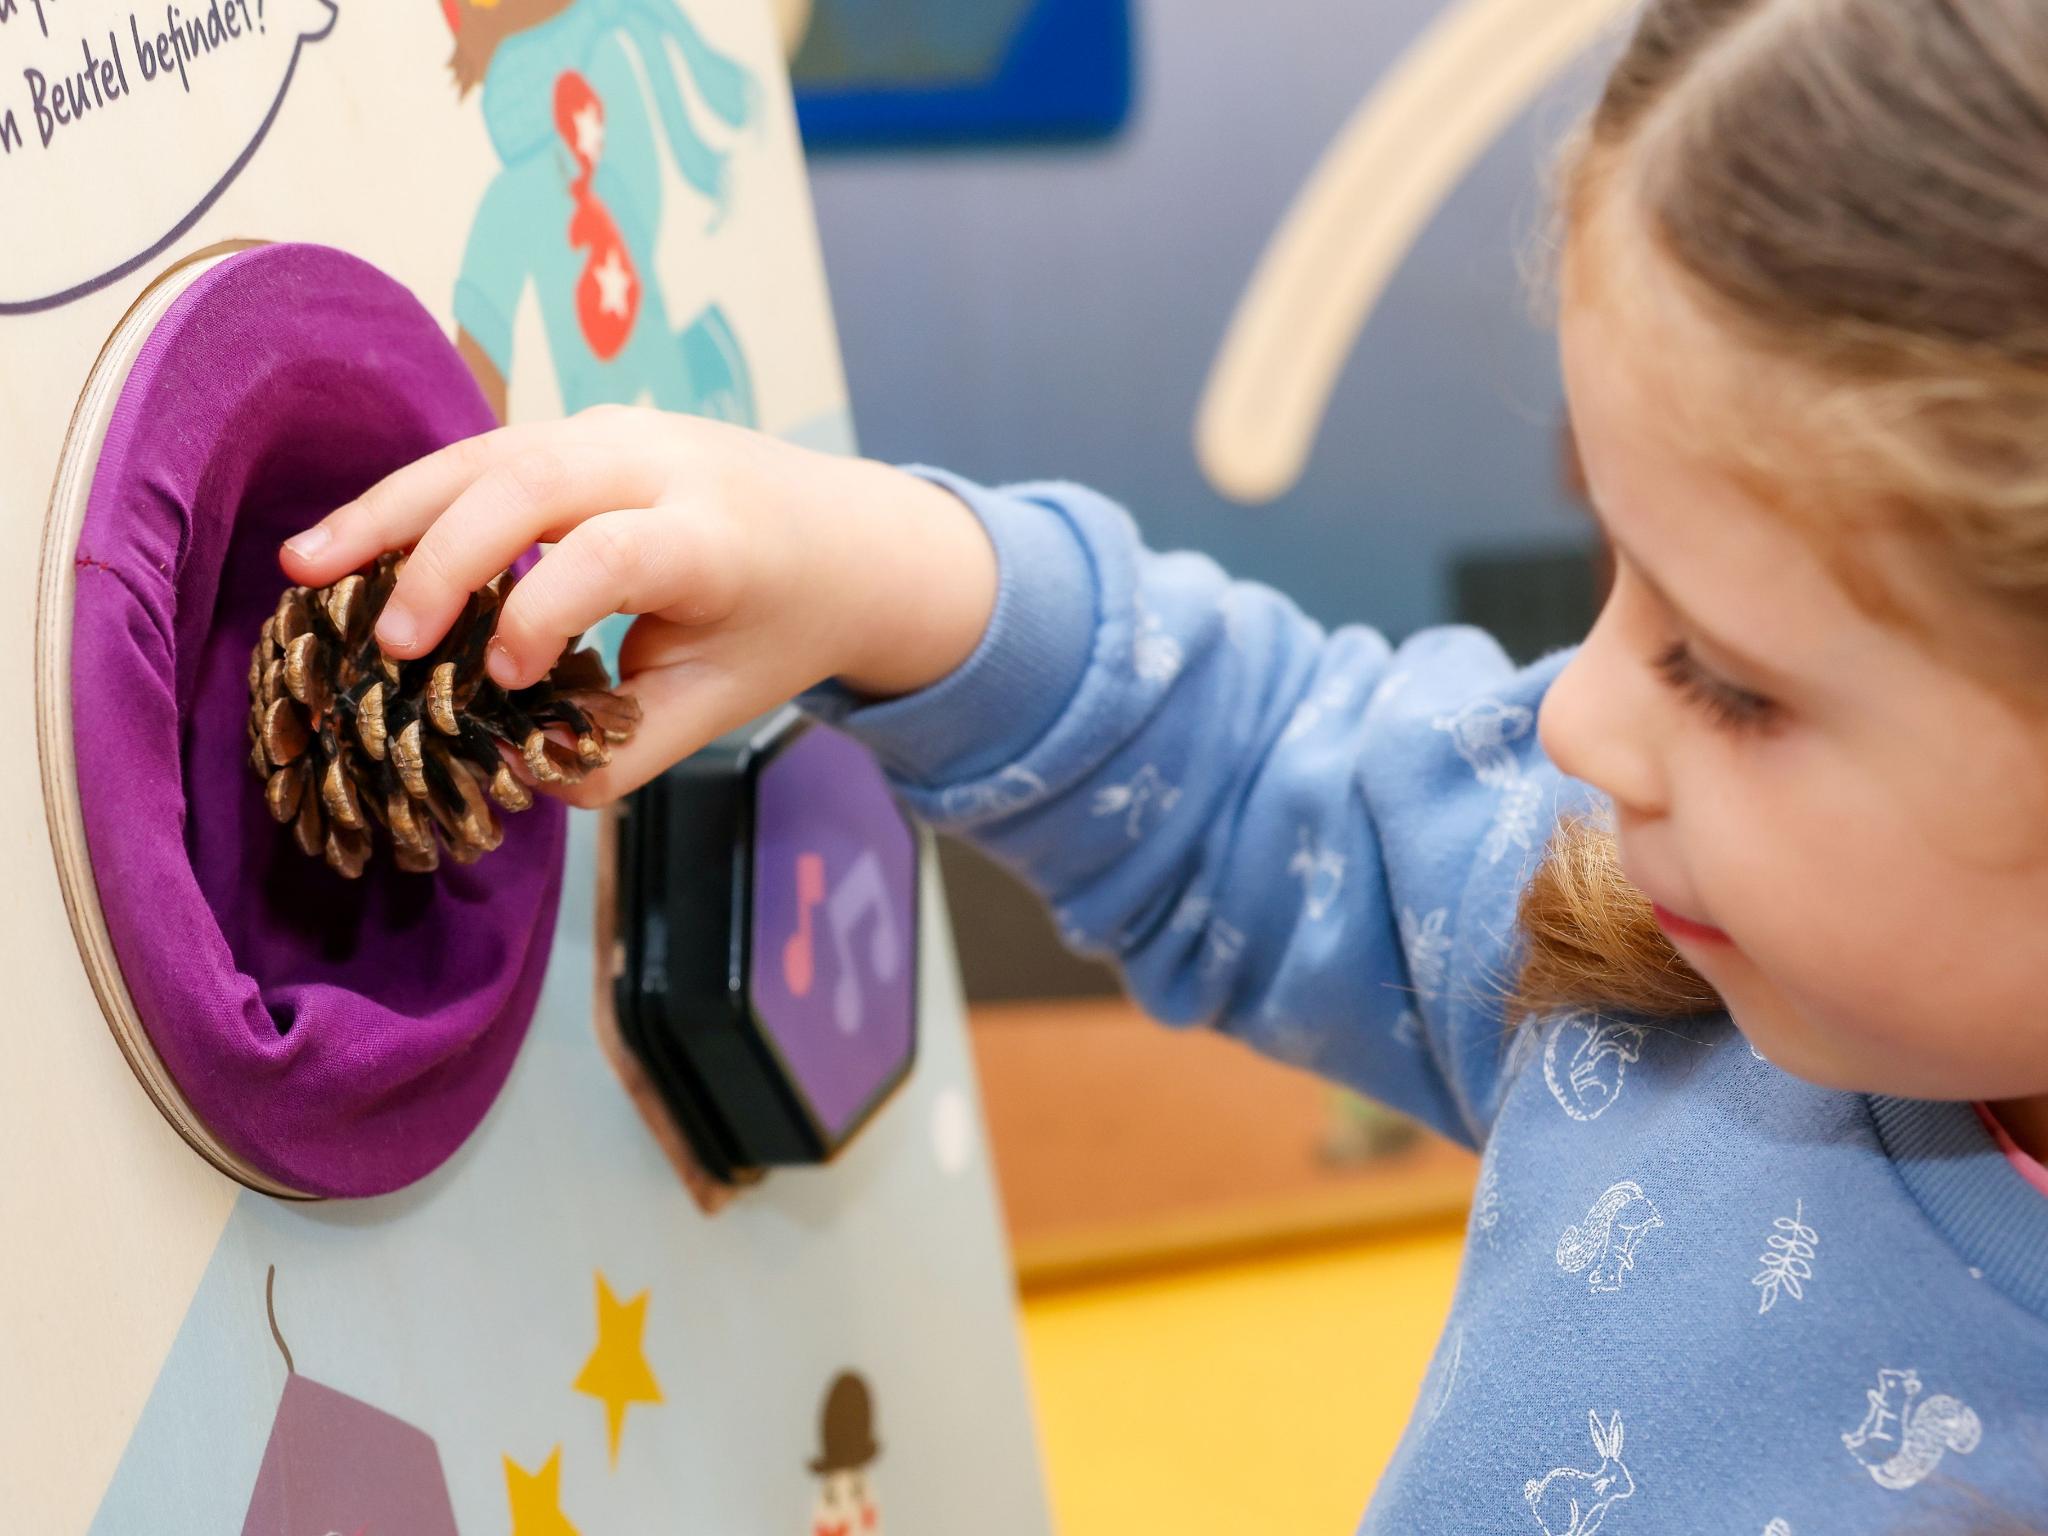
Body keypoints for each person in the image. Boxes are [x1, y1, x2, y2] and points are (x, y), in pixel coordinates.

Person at [282, 0, 2048, 1526]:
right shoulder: (1638, 911)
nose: (1580, 722)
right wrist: (881, 577)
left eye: (1723, 679)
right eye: (1611, 572)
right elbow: (1258, 781)